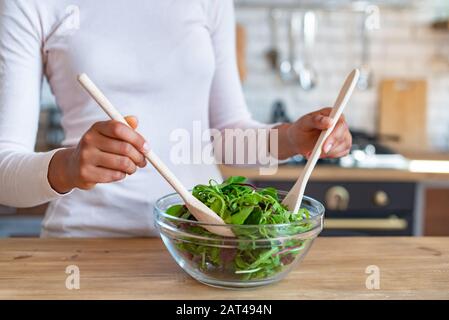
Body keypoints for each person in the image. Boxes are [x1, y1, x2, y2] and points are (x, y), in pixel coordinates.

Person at [0, 0, 351, 237]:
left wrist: (291, 138)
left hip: (203, 240)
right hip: (88, 241)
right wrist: (68, 166)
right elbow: (4, 168)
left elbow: (227, 134)